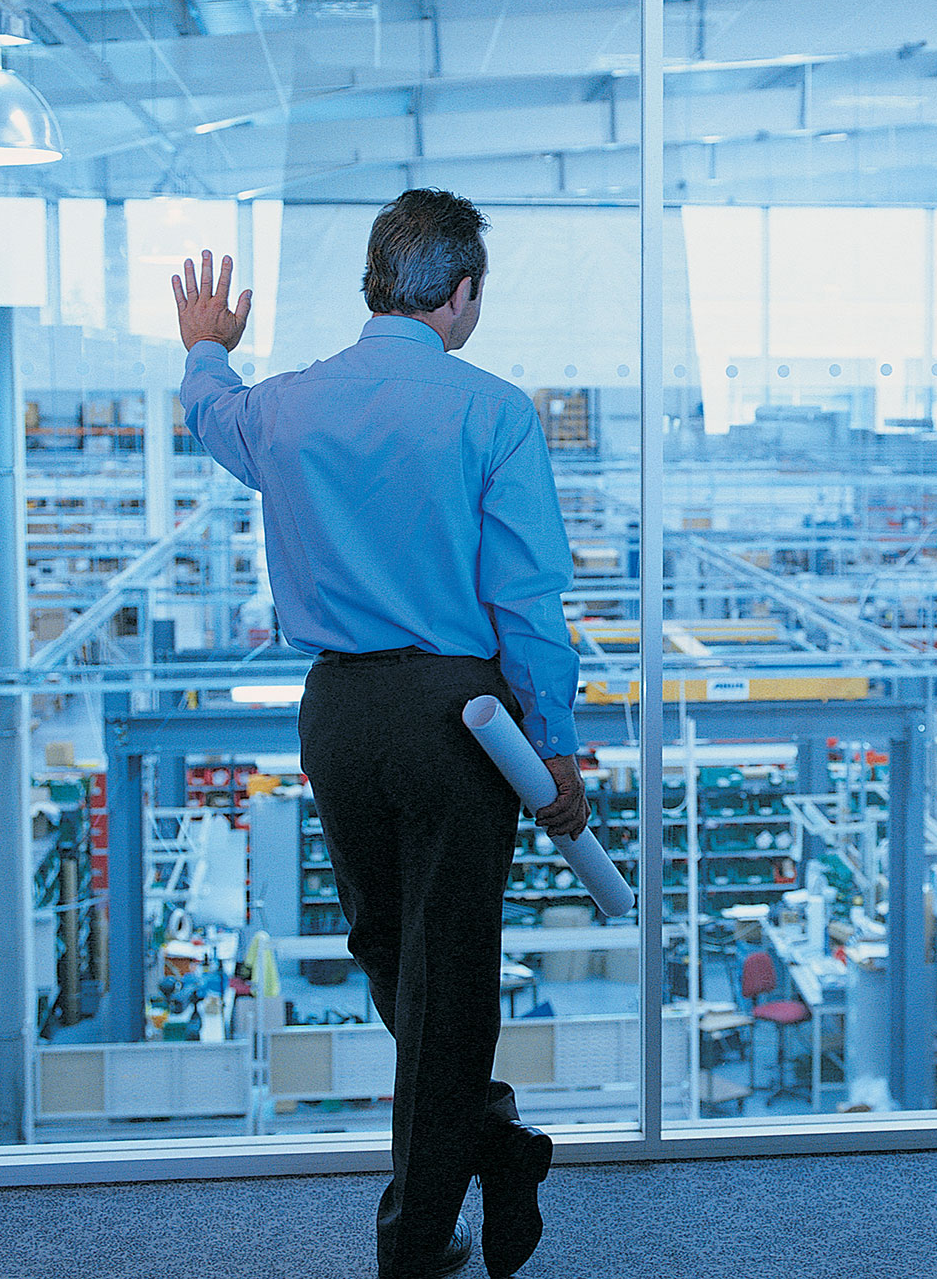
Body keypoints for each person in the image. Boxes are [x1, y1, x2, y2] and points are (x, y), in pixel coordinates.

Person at [172, 189, 589, 1279]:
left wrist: (207, 349)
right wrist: (553, 744)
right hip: (463, 717)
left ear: (373, 284)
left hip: (339, 715)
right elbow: (527, 596)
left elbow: (209, 416)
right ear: (460, 295)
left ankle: (427, 1214)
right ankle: (487, 1155)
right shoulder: (492, 412)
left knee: (387, 952)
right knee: (444, 972)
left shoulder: (287, 406)